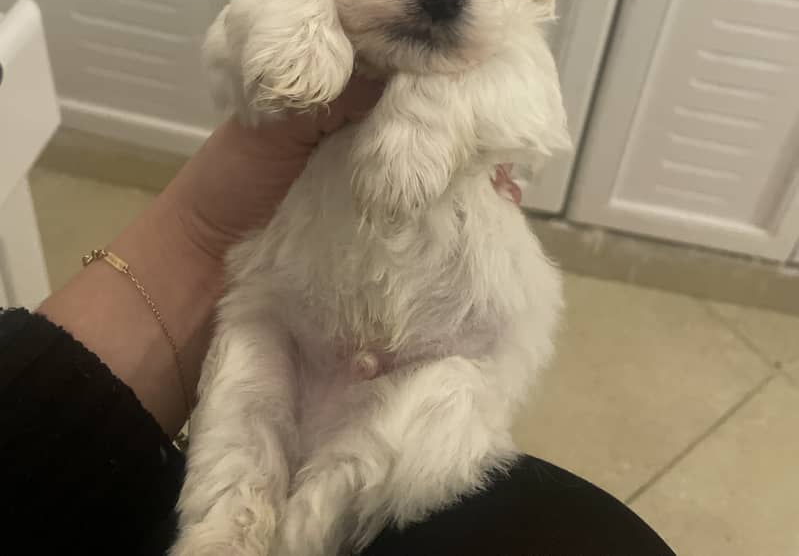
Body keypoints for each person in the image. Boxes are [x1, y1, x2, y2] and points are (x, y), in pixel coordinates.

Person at [0, 78, 674, 555]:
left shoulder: (507, 55)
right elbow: (248, 55)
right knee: (245, 408)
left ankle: (305, 531)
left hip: (438, 362)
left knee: (405, 459)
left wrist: (439, 107)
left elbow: (536, 127)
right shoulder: (301, 6)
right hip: (288, 316)